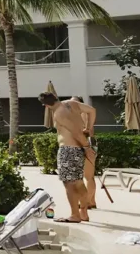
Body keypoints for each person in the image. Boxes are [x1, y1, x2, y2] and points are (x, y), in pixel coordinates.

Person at [38, 91, 97, 222]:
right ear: (56, 98)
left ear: (46, 106)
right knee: (79, 181)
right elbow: (92, 110)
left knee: (69, 184)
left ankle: (75, 215)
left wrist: (87, 147)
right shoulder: (72, 103)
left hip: (67, 150)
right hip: (77, 150)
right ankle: (83, 213)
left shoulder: (58, 114)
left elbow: (75, 132)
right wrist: (88, 128)